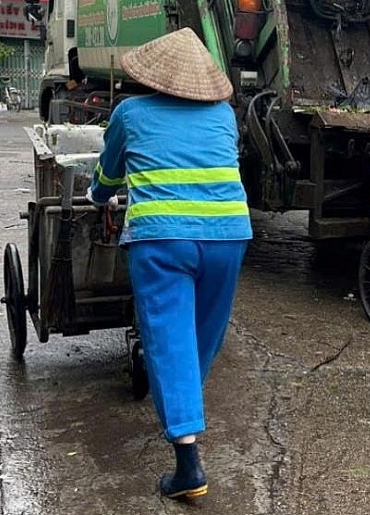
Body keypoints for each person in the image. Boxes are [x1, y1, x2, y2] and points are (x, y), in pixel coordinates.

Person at [86, 27, 252, 498]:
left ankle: (188, 467)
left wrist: (98, 196)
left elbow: (108, 172)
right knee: (201, 338)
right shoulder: (223, 115)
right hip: (228, 235)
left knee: (170, 340)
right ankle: (180, 401)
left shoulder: (130, 112)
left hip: (162, 240)